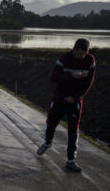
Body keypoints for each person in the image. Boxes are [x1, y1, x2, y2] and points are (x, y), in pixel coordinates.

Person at [36, 38, 96, 172]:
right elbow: (54, 77)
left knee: (73, 130)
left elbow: (88, 83)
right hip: (59, 98)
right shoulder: (64, 58)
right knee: (51, 123)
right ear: (73, 49)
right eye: (78, 54)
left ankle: (71, 160)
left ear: (87, 52)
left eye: (83, 54)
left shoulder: (90, 61)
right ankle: (47, 143)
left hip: (75, 101)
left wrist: (75, 97)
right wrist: (70, 76)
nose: (81, 57)